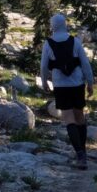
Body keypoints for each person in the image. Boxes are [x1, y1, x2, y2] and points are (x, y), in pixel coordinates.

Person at [40, 13, 94, 169]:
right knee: (80, 117)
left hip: (60, 85)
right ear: (65, 24)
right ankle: (83, 151)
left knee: (69, 119)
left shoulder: (48, 43)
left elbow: (44, 66)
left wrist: (44, 82)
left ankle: (79, 154)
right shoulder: (75, 41)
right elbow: (85, 64)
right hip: (77, 83)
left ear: (52, 26)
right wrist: (90, 83)